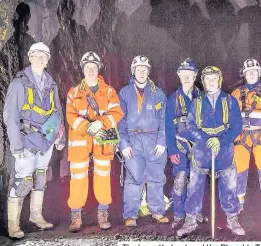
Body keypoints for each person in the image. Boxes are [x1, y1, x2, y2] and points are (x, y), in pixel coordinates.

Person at [3, 42, 65, 238]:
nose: (40, 58)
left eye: (44, 56)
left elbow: (58, 112)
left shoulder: (51, 84)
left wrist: (60, 136)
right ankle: (13, 225)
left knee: (40, 179)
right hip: (26, 139)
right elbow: (10, 116)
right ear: (29, 57)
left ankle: (36, 216)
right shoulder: (18, 83)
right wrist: (15, 144)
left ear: (47, 60)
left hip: (46, 140)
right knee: (23, 182)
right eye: (36, 55)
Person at [177, 66, 245, 237]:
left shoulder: (230, 101)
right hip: (202, 150)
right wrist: (206, 140)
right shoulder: (197, 103)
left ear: (219, 80)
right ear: (204, 82)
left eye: (214, 78)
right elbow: (191, 126)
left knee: (229, 186)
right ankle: (190, 219)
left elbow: (237, 125)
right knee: (194, 186)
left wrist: (221, 141)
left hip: (224, 149)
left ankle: (232, 218)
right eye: (208, 79)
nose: (211, 82)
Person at [66, 51, 123, 232]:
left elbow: (117, 113)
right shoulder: (73, 92)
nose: (91, 70)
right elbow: (70, 115)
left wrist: (100, 122)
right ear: (82, 69)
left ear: (98, 68)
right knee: (78, 177)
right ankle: (76, 216)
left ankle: (103, 214)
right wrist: (85, 126)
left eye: (94, 67)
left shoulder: (109, 92)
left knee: (103, 175)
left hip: (101, 140)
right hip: (80, 140)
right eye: (87, 67)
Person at [118, 55, 169, 227]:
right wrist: (123, 144)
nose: (141, 72)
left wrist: (162, 141)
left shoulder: (158, 93)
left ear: (148, 71)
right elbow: (120, 120)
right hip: (133, 140)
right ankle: (130, 214)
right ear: (133, 71)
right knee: (134, 177)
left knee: (156, 177)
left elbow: (165, 120)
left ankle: (157, 211)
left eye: (144, 69)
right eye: (138, 69)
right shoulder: (124, 93)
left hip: (153, 139)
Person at [231, 58, 261, 219]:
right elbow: (232, 118)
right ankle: (238, 204)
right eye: (248, 72)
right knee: (239, 171)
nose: (251, 74)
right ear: (244, 74)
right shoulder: (237, 93)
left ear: (258, 73)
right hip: (242, 137)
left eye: (254, 72)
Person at [165, 58, 201, 229]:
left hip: (199, 147)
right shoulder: (173, 99)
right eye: (183, 75)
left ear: (195, 76)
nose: (187, 78)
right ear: (179, 76)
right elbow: (168, 127)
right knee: (180, 179)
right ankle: (179, 215)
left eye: (190, 75)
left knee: (197, 180)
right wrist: (172, 150)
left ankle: (195, 212)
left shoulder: (201, 97)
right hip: (180, 146)